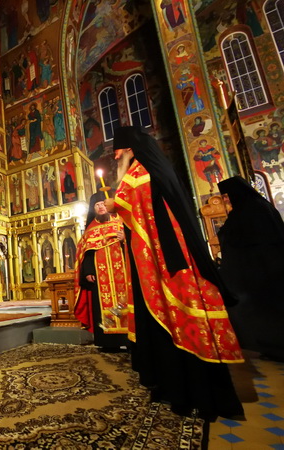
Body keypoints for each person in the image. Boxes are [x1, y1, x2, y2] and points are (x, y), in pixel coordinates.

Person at [107, 126, 244, 421]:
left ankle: (187, 391)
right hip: (170, 255)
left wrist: (112, 204)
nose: (116, 158)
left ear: (129, 150)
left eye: (118, 153)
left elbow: (128, 201)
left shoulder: (139, 172)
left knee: (173, 319)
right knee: (176, 319)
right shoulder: (158, 168)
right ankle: (180, 387)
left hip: (163, 261)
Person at [217, 176, 284, 361]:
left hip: (260, 270)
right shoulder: (260, 206)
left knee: (268, 311)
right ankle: (273, 348)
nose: (226, 200)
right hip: (269, 268)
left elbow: (235, 237)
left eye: (227, 196)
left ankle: (276, 348)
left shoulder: (248, 210)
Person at [74, 191, 130, 351]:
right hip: (100, 276)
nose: (100, 207)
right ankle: (108, 342)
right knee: (101, 306)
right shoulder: (91, 229)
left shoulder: (121, 222)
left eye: (103, 204)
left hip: (123, 271)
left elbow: (137, 244)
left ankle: (129, 339)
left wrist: (125, 238)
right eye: (97, 205)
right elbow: (86, 254)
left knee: (126, 302)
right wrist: (88, 271)